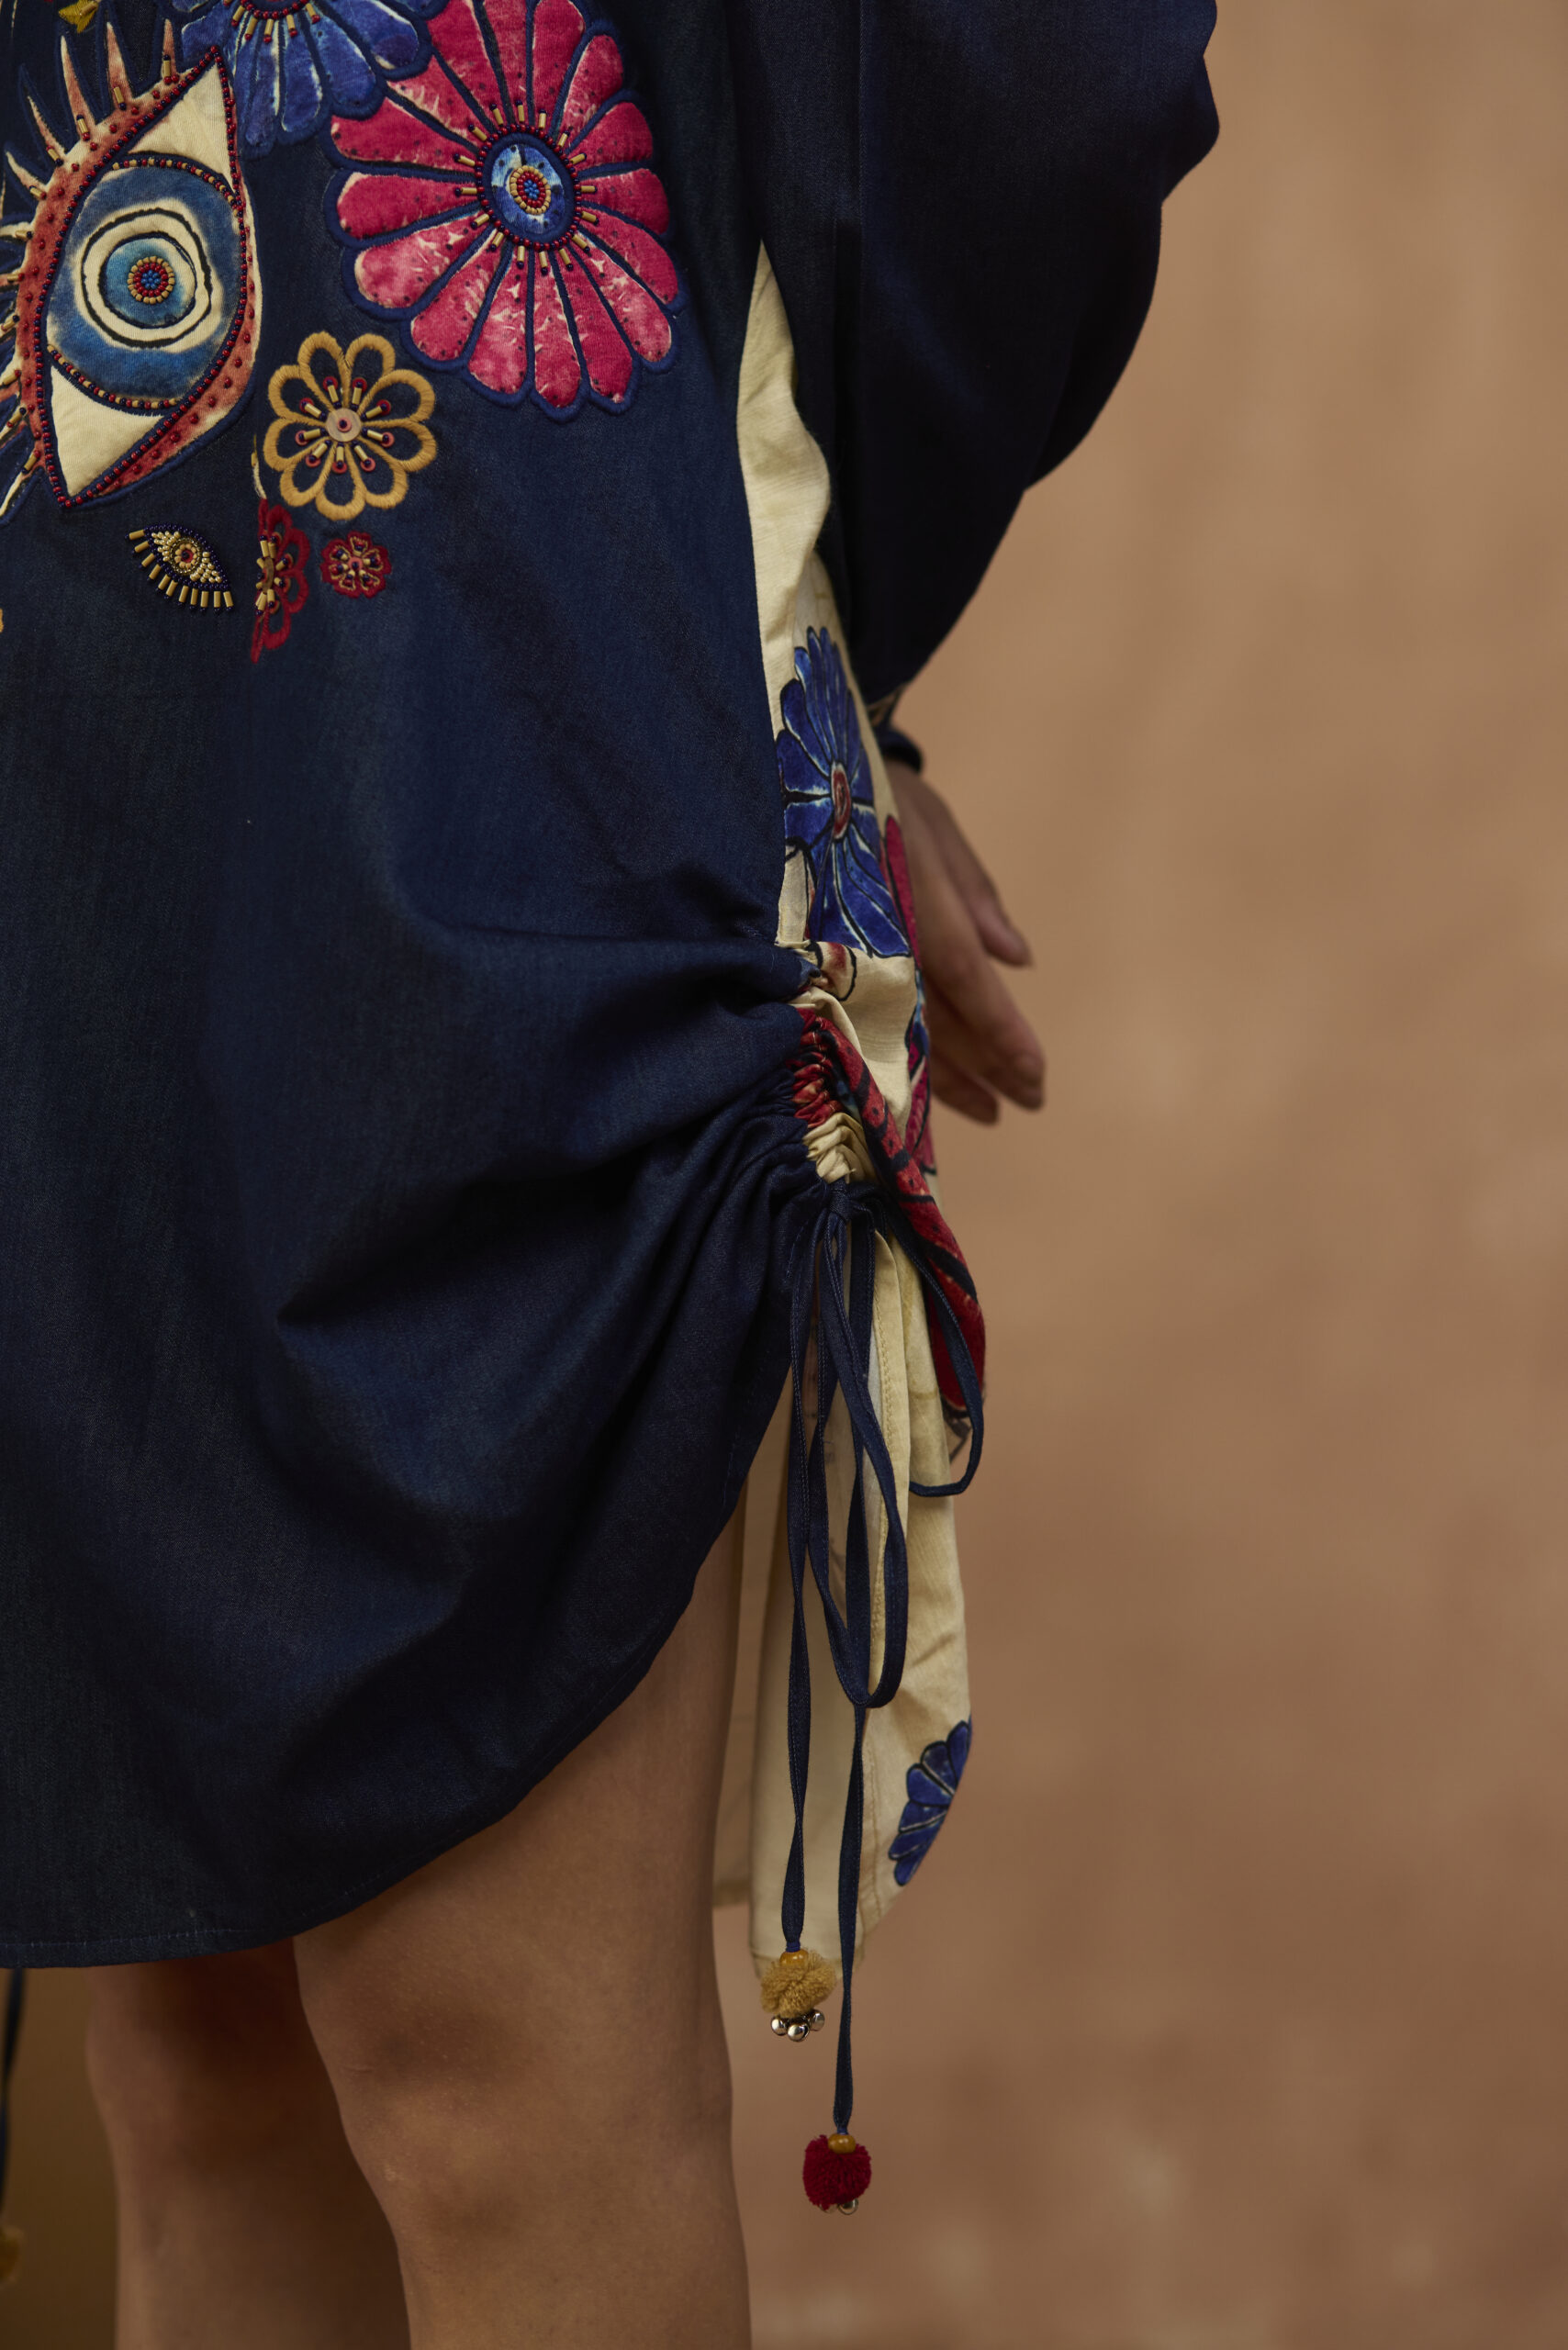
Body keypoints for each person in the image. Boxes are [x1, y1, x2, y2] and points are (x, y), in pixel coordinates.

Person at [0, 0, 1216, 2341]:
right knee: (205, 2055)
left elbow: (1031, 67)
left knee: (493, 2073)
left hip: (476, 701)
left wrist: (764, 579)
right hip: (100, 723)